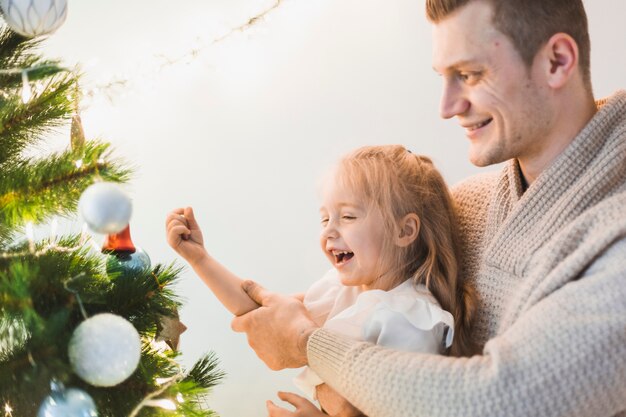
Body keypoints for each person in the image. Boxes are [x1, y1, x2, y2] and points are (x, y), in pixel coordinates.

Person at [230, 0, 626, 416]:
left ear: (556, 61)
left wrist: (304, 343)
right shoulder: (470, 201)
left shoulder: (614, 247)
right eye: (444, 77)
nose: (448, 106)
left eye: (470, 75)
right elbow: (364, 299)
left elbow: (496, 401)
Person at [166, 145, 477, 416]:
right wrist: (199, 258)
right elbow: (260, 311)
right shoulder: (344, 290)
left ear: (404, 231)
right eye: (325, 218)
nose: (329, 232)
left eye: (348, 217)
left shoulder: (409, 318)